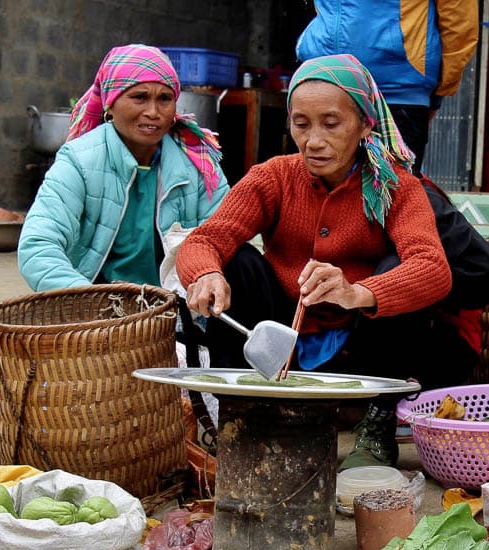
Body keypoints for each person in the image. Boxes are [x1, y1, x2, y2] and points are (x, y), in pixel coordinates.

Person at [176, 54, 457, 469]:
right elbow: (205, 239)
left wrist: (357, 292)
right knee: (235, 263)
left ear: (364, 124)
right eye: (301, 124)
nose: (313, 140)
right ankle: (246, 415)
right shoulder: (273, 177)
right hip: (279, 334)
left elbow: (434, 269)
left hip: (360, 344)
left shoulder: (394, 185)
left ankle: (375, 424)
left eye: (331, 123)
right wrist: (206, 274)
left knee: (402, 269)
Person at [18, 44, 229, 292]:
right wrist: (87, 299)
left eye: (164, 99)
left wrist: (205, 281)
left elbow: (225, 236)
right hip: (95, 309)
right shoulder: (79, 161)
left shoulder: (197, 166)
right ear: (110, 104)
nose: (153, 112)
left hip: (174, 309)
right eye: (139, 97)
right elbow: (38, 246)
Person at [295, 0, 479, 172]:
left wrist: (439, 90)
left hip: (397, 88)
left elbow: (459, 22)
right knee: (314, 195)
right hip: (322, 80)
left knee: (392, 196)